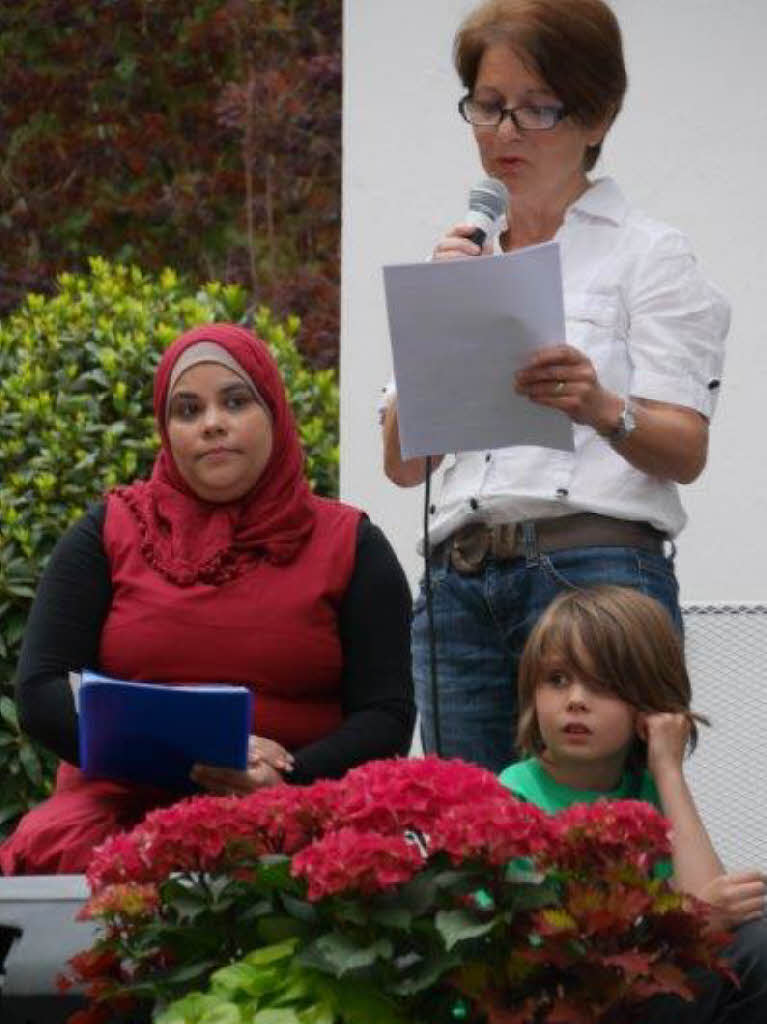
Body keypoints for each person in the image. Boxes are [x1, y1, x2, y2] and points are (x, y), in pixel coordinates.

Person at [381, 0, 729, 773]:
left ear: (597, 113)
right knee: (469, 845)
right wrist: (439, 320)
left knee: (597, 856)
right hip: (457, 579)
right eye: (488, 105)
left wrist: (601, 406)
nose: (505, 132)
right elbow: (404, 465)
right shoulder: (459, 258)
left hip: (592, 567)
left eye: (536, 108)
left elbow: (685, 450)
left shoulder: (649, 255)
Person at [0, 322, 415, 874]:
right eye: (188, 410)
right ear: (166, 430)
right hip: (123, 804)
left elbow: (385, 713)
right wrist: (186, 760)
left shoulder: (350, 544)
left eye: (236, 401)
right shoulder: (107, 531)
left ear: (273, 411)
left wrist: (285, 777)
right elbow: (39, 691)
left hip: (297, 806)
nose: (213, 424)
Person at [500, 584, 767, 1023]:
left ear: (648, 704)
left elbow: (716, 924)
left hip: (634, 997)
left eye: (602, 685)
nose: (576, 700)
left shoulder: (649, 792)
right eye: (557, 680)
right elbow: (543, 954)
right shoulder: (511, 798)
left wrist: (668, 770)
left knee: (753, 943)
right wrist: (693, 920)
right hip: (556, 999)